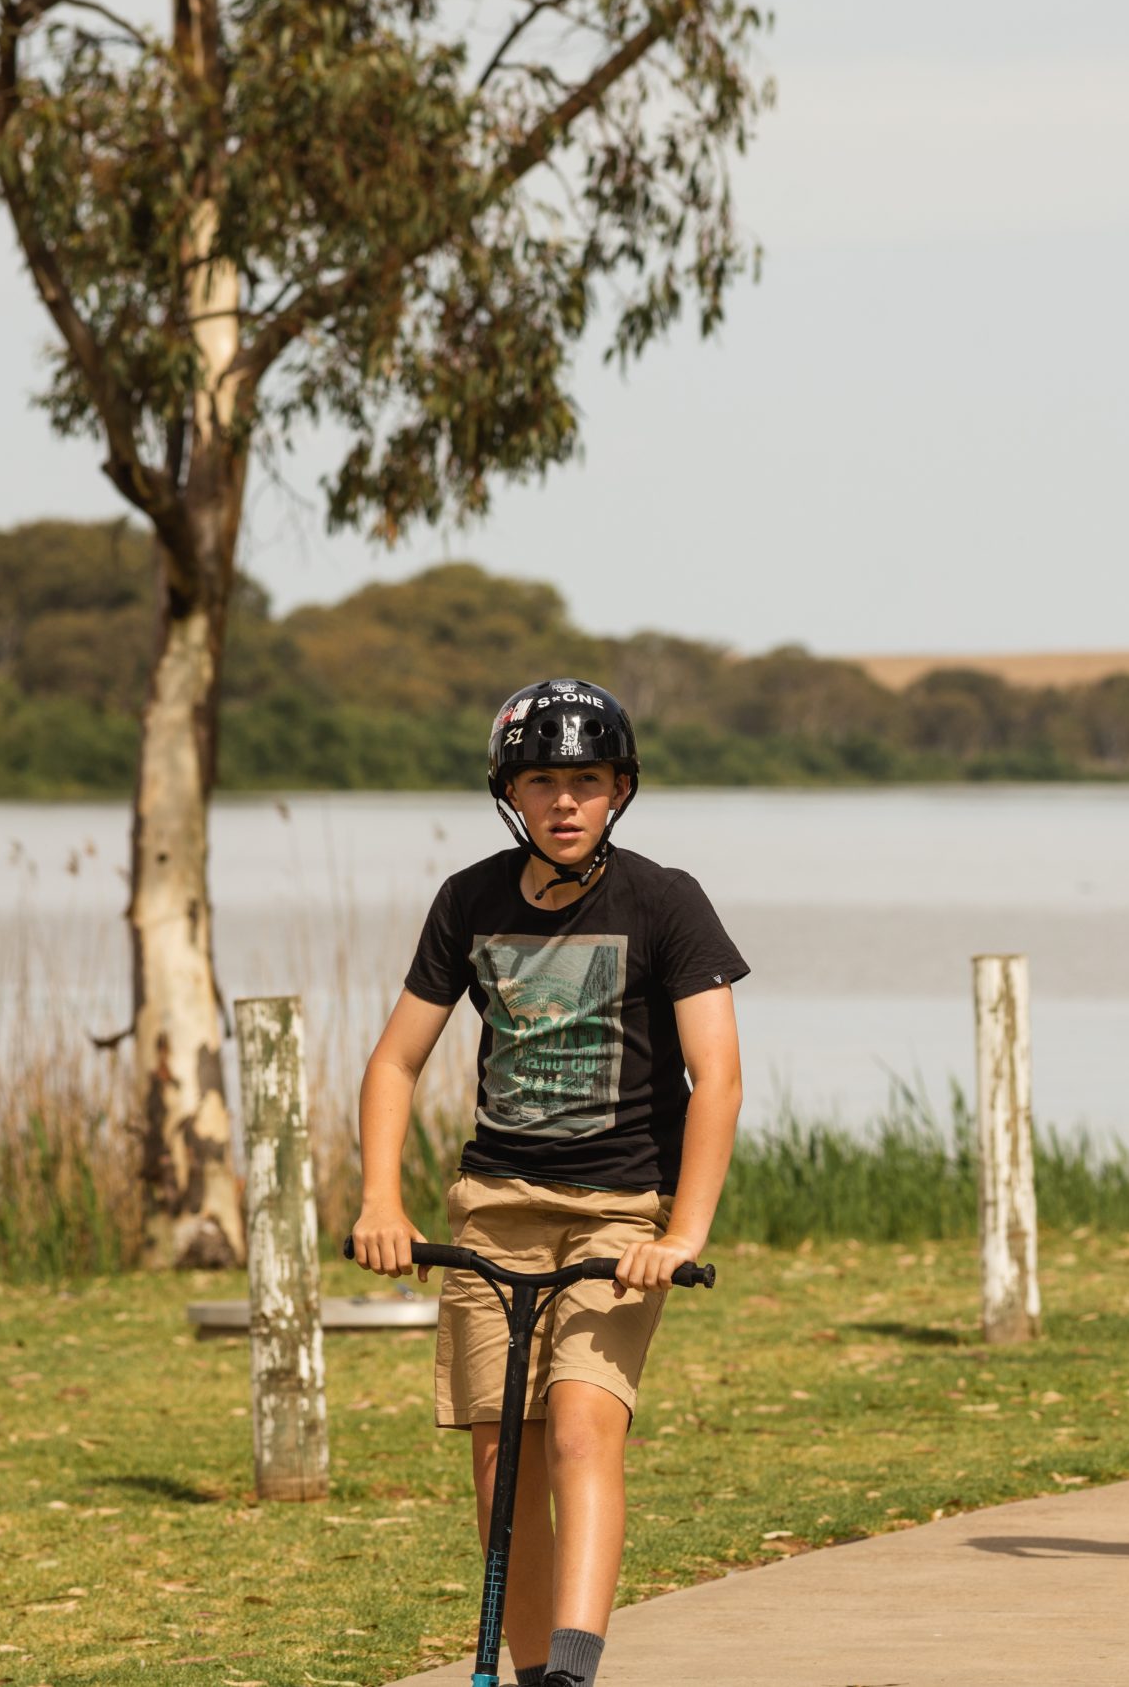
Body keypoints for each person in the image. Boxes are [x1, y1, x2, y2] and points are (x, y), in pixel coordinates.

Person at [351, 677, 746, 1687]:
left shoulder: (665, 901)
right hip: (495, 1208)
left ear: (619, 789)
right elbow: (395, 1062)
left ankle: (572, 1669)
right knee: (500, 1460)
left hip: (620, 1212)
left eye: (585, 780)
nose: (564, 802)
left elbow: (718, 1079)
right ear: (509, 793)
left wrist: (683, 1231)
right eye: (542, 782)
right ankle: (526, 1675)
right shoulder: (469, 901)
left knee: (579, 1427)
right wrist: (381, 1203)